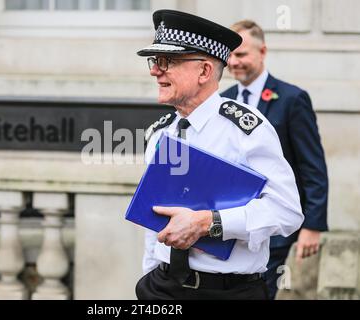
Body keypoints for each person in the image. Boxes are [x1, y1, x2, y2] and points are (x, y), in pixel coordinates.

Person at [134, 9, 304, 300]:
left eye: (168, 61)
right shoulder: (160, 134)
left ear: (204, 71)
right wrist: (149, 274)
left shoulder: (246, 129)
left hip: (228, 291)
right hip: (161, 286)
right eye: (155, 61)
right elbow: (154, 220)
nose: (154, 70)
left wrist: (208, 223)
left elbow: (287, 211)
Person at [222, 20, 329, 300]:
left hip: (275, 229)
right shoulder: (223, 101)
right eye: (229, 55)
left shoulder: (292, 99)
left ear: (263, 51)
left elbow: (312, 167)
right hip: (234, 227)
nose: (234, 62)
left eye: (241, 54)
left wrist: (313, 226)